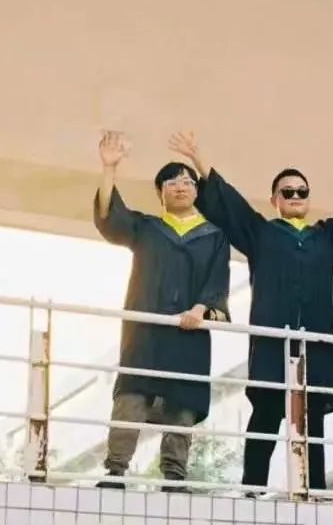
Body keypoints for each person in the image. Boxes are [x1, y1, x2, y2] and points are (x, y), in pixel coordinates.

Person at [168, 131, 333, 498]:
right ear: (275, 199)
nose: (295, 196)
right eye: (288, 191)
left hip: (315, 345)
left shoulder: (325, 237)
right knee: (265, 415)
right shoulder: (260, 233)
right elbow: (229, 203)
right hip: (272, 344)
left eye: (302, 191)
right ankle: (252, 488)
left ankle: (316, 490)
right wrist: (199, 157)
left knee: (314, 422)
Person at [93, 131, 231, 492]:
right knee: (131, 397)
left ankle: (174, 477)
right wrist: (109, 169)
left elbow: (217, 279)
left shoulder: (214, 236)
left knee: (182, 404)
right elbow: (110, 218)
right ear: (160, 193)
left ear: (197, 191)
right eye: (172, 182)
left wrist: (199, 309)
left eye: (187, 182)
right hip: (146, 333)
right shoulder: (147, 228)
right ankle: (115, 471)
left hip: (189, 332)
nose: (181, 186)